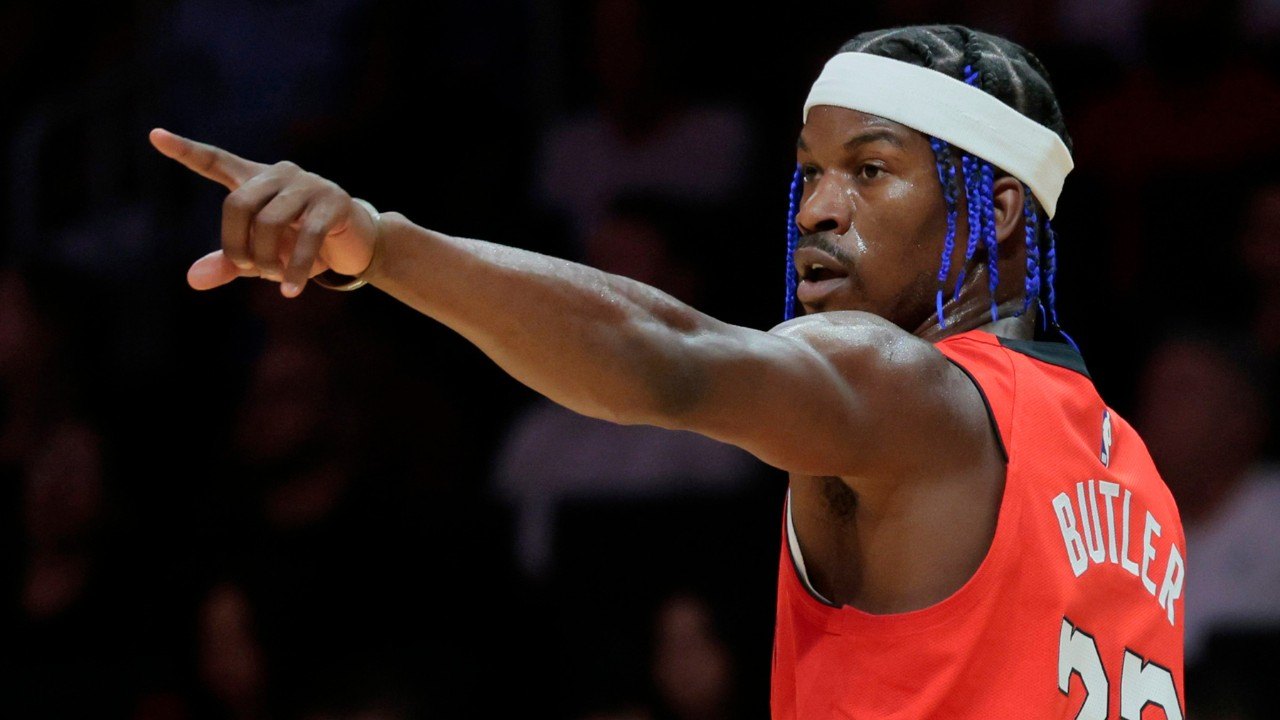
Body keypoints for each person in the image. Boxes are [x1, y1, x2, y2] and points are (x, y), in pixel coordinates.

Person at [149, 23, 1186, 719]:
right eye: (808, 173)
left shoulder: (907, 388)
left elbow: (673, 359)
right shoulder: (1134, 476)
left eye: (869, 171)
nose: (818, 210)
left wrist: (379, 246)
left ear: (996, 209)